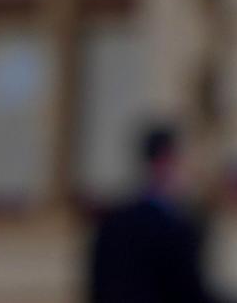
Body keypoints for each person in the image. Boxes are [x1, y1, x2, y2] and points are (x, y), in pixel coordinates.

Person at [83, 119, 208, 303]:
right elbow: (189, 294)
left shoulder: (112, 221)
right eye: (185, 162)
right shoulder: (173, 228)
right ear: (166, 162)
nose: (192, 173)